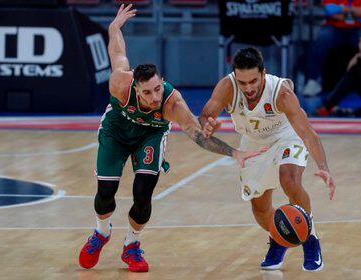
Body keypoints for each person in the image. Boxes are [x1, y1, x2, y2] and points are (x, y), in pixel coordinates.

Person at [78, 5, 263, 272]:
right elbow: (117, 53)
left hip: (150, 134)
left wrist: (234, 153)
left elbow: (197, 136)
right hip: (116, 131)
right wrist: (114, 27)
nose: (154, 97)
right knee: (105, 193)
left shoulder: (171, 102)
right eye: (148, 93)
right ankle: (101, 233)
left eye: (157, 88)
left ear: (161, 81)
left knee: (143, 192)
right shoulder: (120, 82)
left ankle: (131, 245)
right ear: (136, 89)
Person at [200, 48, 335, 271]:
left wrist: (324, 167)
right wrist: (207, 124)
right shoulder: (227, 87)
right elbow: (206, 114)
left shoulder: (281, 93)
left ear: (264, 73)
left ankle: (310, 239)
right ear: (235, 76)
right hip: (253, 143)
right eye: (242, 83)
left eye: (253, 81)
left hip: (286, 135)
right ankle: (279, 239)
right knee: (260, 206)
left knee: (289, 180)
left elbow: (307, 133)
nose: (248, 88)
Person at [303, 0, 361, 96]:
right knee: (322, 38)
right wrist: (355, 15)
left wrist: (340, 9)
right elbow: (329, 12)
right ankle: (313, 81)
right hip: (335, 25)